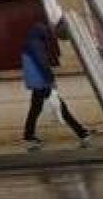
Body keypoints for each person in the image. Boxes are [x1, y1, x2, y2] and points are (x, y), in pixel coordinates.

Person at [21, 21, 92, 149]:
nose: (47, 35)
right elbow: (42, 63)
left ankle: (29, 136)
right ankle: (82, 133)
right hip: (42, 82)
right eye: (45, 32)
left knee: (36, 109)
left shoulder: (29, 43)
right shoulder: (36, 44)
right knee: (61, 107)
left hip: (37, 82)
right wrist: (51, 79)